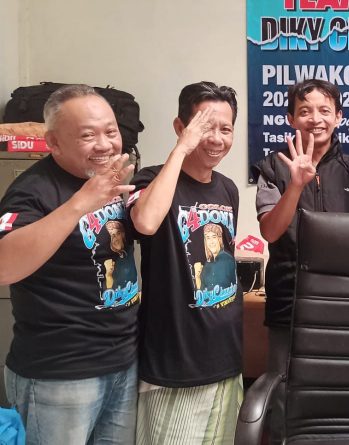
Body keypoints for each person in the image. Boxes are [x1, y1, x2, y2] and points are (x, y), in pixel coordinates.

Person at [0, 84, 139, 444]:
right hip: (60, 372)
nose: (105, 145)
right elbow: (4, 266)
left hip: (123, 361)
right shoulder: (33, 189)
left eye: (111, 132)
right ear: (54, 142)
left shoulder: (113, 180)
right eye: (87, 136)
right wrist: (80, 204)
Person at [127, 81, 242, 444]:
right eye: (205, 127)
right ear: (180, 127)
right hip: (174, 362)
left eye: (226, 129)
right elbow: (145, 222)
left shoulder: (228, 188)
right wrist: (181, 150)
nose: (217, 139)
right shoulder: (151, 179)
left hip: (225, 356)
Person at [251, 78, 349, 442]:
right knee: (284, 393)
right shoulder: (272, 167)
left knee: (341, 393)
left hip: (345, 304)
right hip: (290, 300)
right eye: (305, 111)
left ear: (339, 117)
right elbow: (271, 231)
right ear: (290, 118)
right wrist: (296, 184)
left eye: (324, 110)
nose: (315, 119)